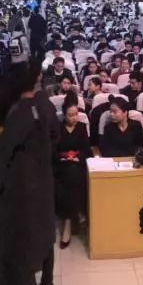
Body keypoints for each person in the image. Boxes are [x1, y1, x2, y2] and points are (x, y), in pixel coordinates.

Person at [0, 62, 57, 285]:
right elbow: (55, 136)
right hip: (41, 178)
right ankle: (46, 284)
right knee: (44, 235)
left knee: (25, 244)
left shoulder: (20, 111)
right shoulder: (44, 104)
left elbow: (4, 150)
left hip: (24, 186)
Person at [52, 104, 89, 250]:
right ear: (64, 115)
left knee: (73, 174)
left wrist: (78, 157)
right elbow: (53, 151)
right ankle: (76, 215)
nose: (74, 118)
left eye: (76, 114)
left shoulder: (82, 127)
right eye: (70, 115)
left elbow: (86, 150)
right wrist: (63, 157)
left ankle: (68, 220)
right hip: (61, 165)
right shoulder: (58, 128)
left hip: (77, 164)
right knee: (69, 176)